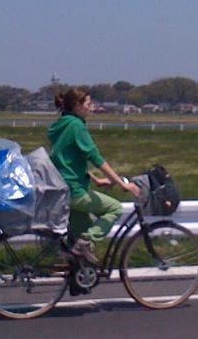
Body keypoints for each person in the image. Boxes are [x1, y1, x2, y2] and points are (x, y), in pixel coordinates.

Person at [48, 87, 140, 265]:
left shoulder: (62, 124)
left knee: (79, 239)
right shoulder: (76, 125)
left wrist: (96, 180)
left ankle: (76, 275)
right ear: (77, 105)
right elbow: (95, 157)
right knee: (114, 208)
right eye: (88, 104)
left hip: (63, 188)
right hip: (75, 191)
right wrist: (121, 183)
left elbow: (67, 160)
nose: (91, 107)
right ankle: (85, 243)